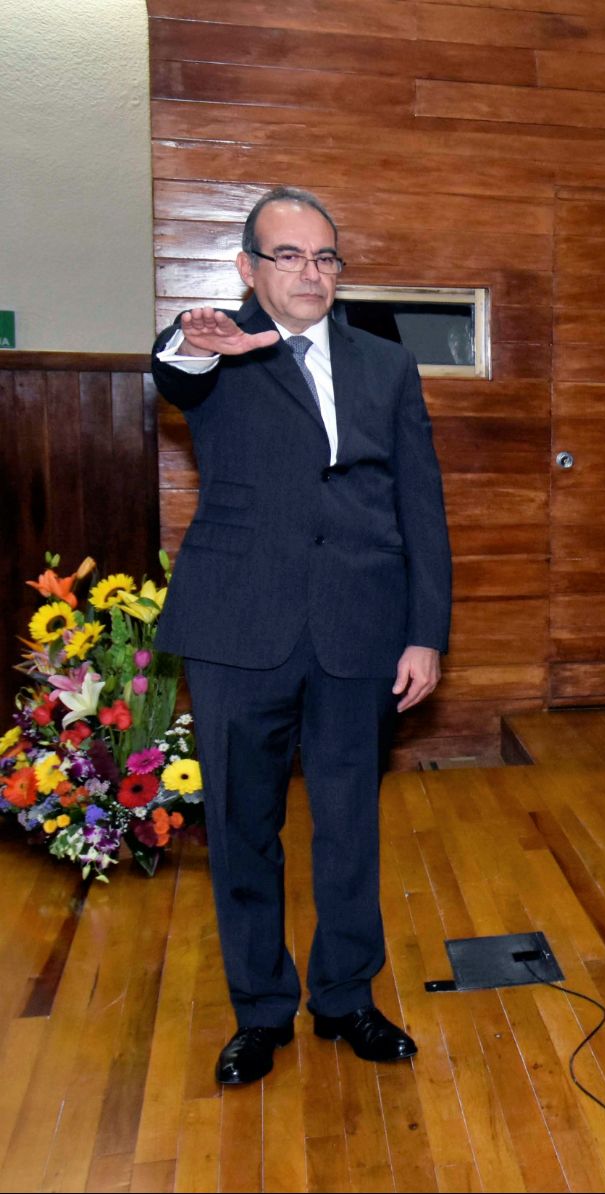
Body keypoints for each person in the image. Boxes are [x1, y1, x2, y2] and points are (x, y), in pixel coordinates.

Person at [152, 186, 453, 1082]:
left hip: (361, 629)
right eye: (288, 256)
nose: (310, 272)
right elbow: (174, 371)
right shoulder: (222, 352)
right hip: (240, 627)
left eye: (325, 257)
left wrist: (425, 632)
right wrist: (192, 340)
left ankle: (347, 999)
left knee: (349, 825)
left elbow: (421, 506)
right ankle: (261, 1011)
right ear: (249, 268)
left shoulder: (385, 366)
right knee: (244, 825)